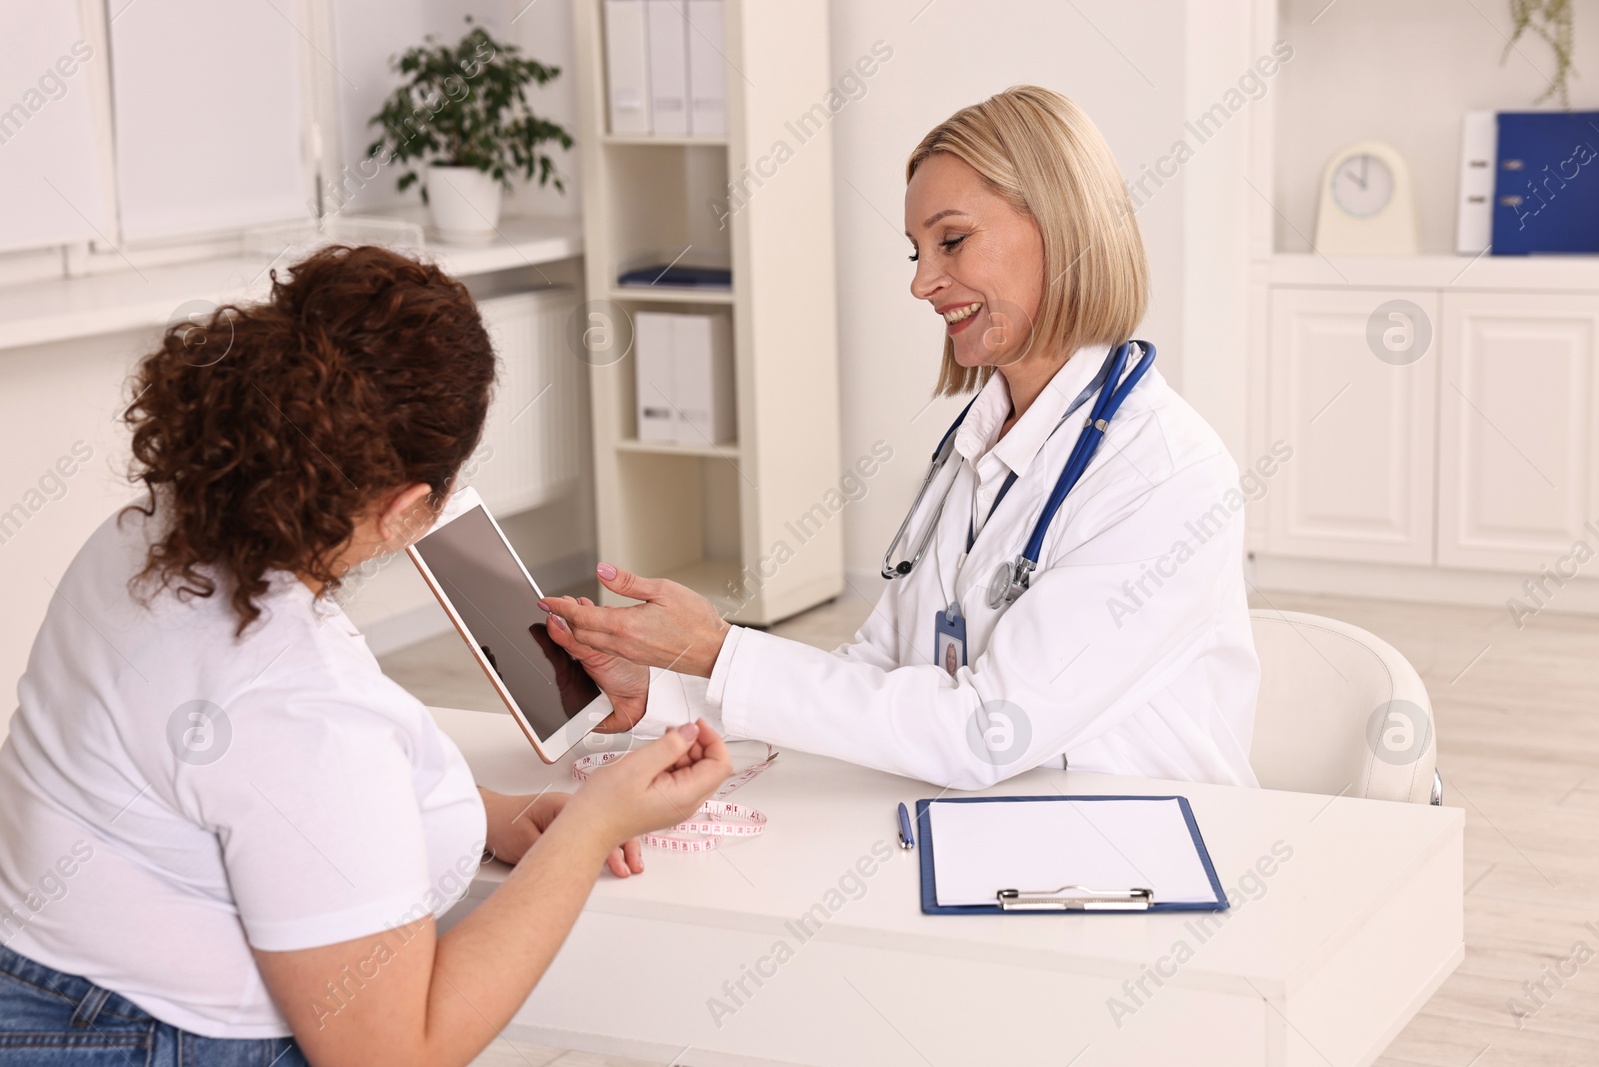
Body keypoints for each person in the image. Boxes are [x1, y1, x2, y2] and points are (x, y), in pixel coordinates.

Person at [0, 245, 732, 1067]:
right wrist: (596, 822)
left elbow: (246, 790)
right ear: (408, 506)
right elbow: (392, 1055)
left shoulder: (153, 528)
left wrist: (489, 812)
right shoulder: (297, 700)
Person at [540, 86, 1260, 792]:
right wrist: (662, 696)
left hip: (1136, 862)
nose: (923, 284)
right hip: (997, 825)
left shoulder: (1170, 478)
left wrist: (721, 650)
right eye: (916, 252)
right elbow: (878, 673)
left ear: (1062, 225)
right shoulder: (976, 447)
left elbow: (984, 730)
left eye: (951, 240)